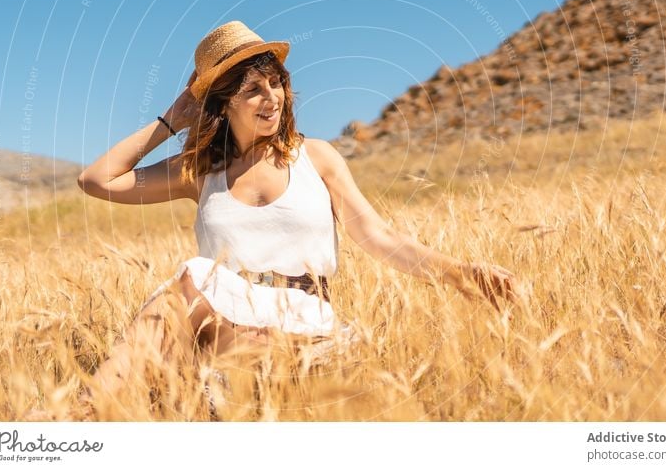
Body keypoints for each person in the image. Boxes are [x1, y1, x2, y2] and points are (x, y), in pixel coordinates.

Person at [74, 20, 518, 419]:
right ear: (223, 103)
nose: (272, 98)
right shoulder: (199, 174)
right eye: (253, 89)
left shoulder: (316, 158)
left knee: (195, 282)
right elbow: (96, 180)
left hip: (304, 320)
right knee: (194, 277)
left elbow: (378, 236)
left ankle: (90, 415)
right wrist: (173, 119)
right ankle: (83, 417)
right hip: (226, 326)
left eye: (276, 83)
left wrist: (461, 274)